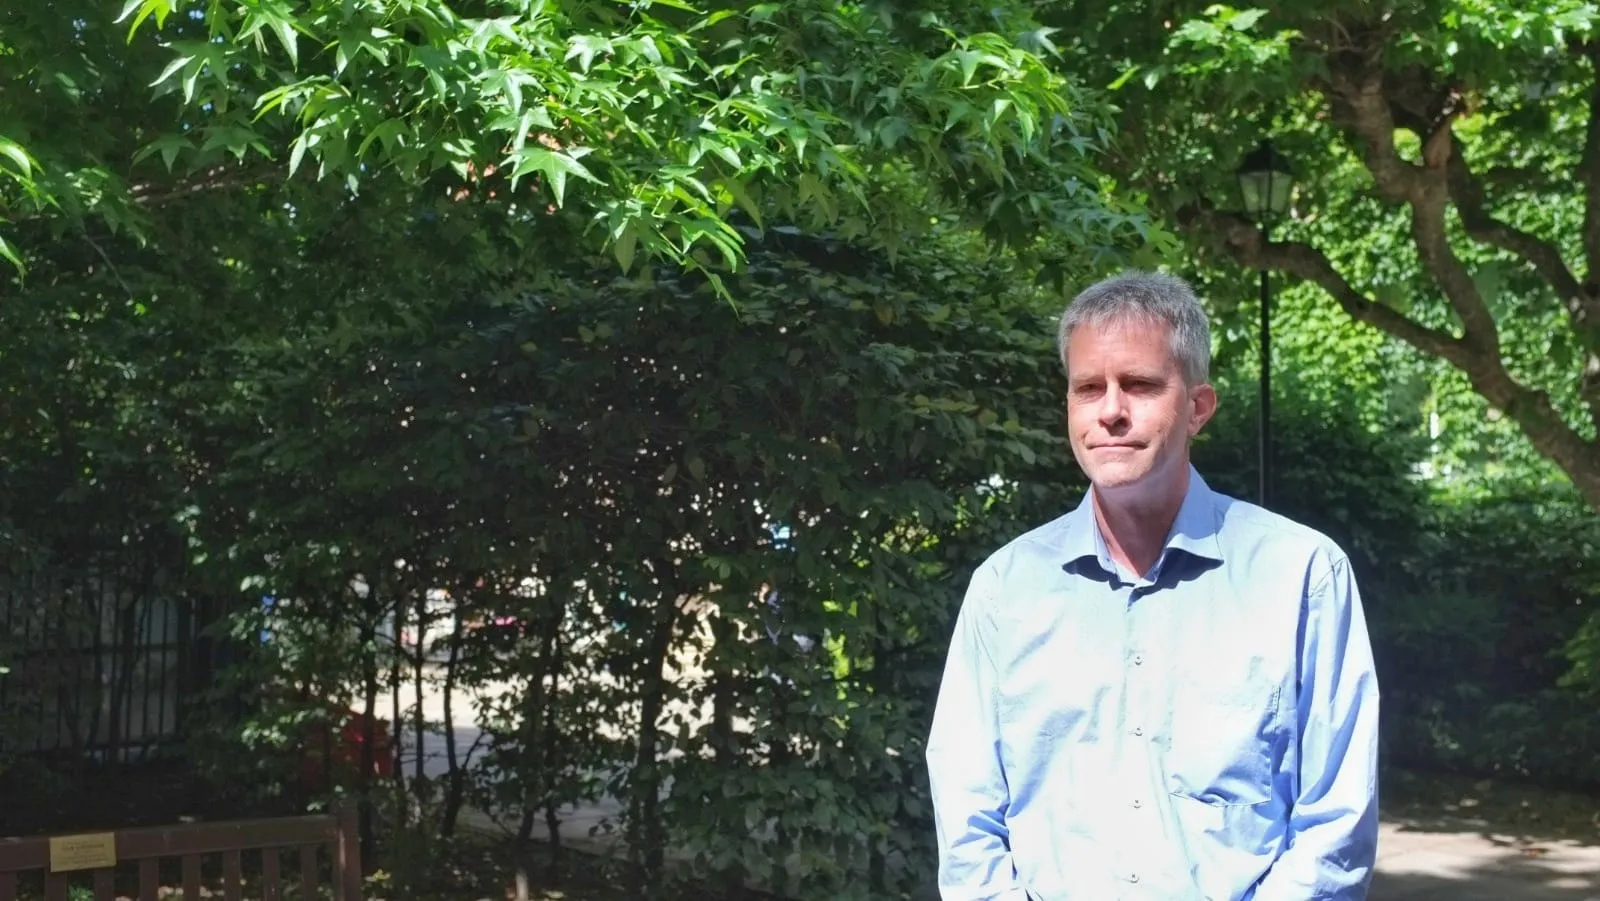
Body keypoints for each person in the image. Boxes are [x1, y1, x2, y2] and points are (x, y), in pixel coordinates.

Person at [925, 271, 1380, 900]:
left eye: (1139, 384)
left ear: (1197, 407)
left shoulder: (1301, 577)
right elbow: (968, 810)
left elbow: (1336, 818)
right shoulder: (1005, 590)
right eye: (1088, 388)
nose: (1111, 410)